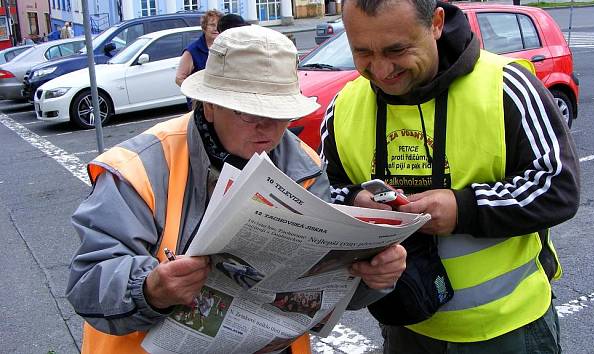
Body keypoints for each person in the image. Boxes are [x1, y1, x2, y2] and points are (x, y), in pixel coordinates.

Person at [66, 25, 407, 354]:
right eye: (249, 113)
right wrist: (150, 289)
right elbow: (87, 283)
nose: (269, 128)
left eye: (280, 113)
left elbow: (327, 290)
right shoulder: (139, 168)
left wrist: (373, 278)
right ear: (209, 105)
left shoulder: (301, 162)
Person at [320, 0, 580, 353]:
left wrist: (464, 207)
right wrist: (355, 202)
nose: (381, 70)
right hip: (405, 326)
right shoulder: (343, 108)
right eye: (362, 52)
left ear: (436, 23)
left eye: (397, 49)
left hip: (508, 329)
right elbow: (326, 194)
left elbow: (558, 186)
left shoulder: (507, 87)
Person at [175, 10, 223, 110]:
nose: (216, 28)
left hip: (221, 102)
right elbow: (179, 79)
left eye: (218, 25)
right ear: (204, 27)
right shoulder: (192, 51)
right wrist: (198, 93)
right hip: (200, 106)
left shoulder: (225, 47)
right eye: (211, 25)